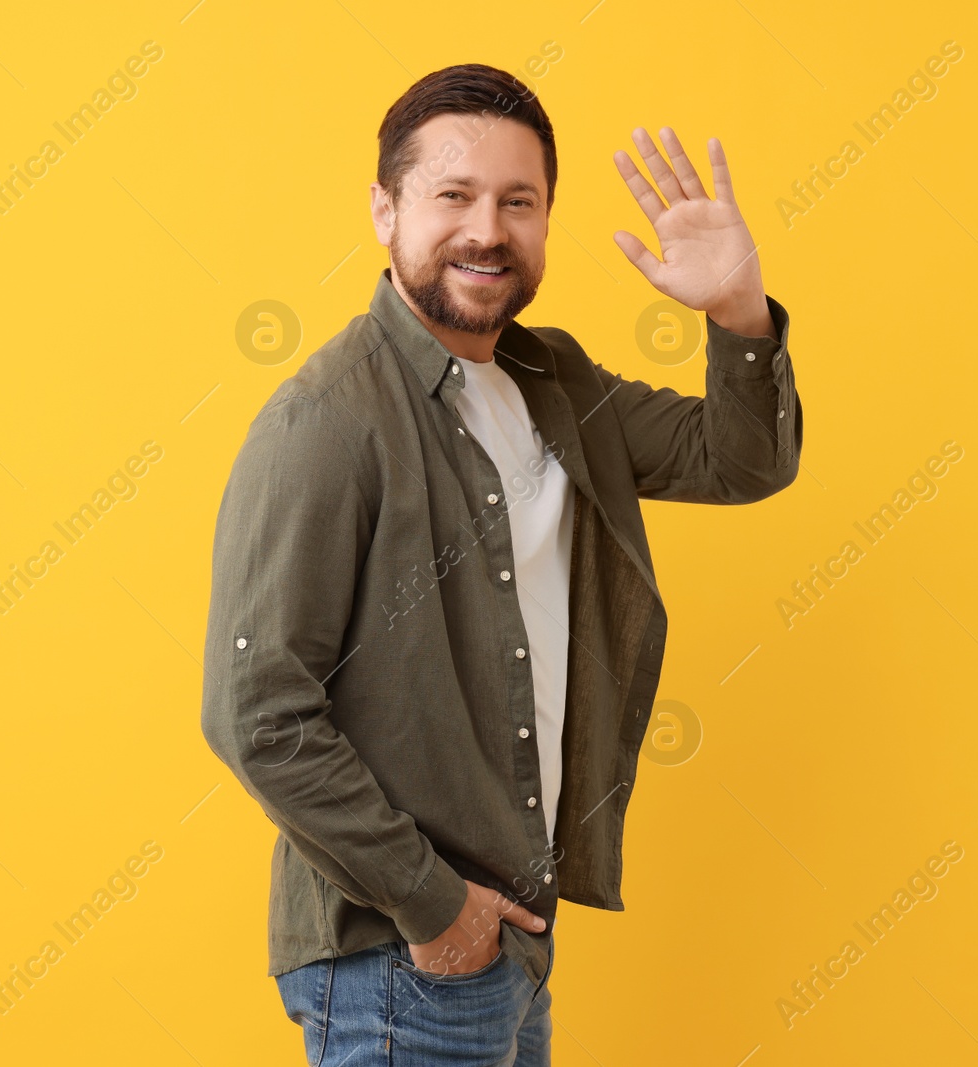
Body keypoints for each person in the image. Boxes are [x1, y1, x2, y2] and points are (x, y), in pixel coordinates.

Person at [201, 62, 802, 1065]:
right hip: (399, 951)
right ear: (385, 210)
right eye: (453, 195)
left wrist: (739, 314)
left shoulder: (549, 377)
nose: (487, 229)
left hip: (503, 945)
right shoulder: (328, 421)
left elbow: (738, 462)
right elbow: (255, 712)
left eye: (516, 202)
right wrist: (436, 907)